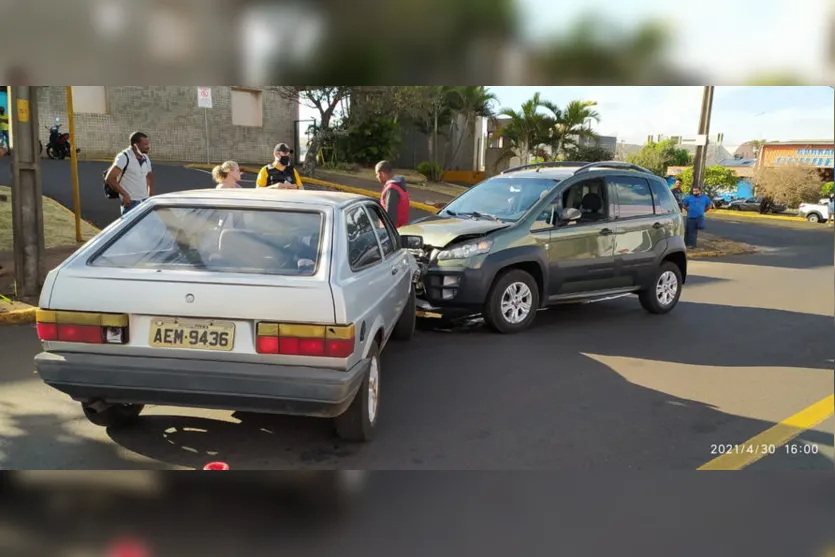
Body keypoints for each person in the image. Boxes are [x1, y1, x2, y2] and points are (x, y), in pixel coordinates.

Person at [105, 131, 154, 216]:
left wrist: (151, 193)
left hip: (145, 202)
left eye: (148, 144)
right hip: (131, 203)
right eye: (145, 145)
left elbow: (149, 175)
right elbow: (109, 178)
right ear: (135, 145)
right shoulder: (123, 157)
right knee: (132, 229)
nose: (148, 147)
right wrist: (125, 195)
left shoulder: (145, 157)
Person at [375, 160, 410, 227]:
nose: (376, 177)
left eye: (377, 174)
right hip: (402, 229)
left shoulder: (391, 189)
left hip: (393, 232)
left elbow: (390, 217)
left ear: (382, 174)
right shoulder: (399, 185)